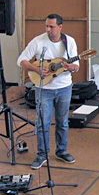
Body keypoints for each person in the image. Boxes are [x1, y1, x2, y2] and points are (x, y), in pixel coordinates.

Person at [17, 13, 79, 170]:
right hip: (44, 89)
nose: (48, 30)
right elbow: (21, 60)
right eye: (46, 26)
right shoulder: (39, 41)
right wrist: (36, 69)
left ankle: (61, 151)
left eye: (51, 27)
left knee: (62, 122)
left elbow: (76, 66)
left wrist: (70, 67)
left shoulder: (69, 41)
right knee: (42, 123)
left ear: (60, 27)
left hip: (64, 87)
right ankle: (42, 154)